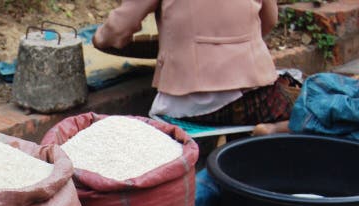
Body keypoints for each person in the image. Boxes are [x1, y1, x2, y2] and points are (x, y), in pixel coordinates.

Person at [93, 0, 298, 127]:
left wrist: (99, 39)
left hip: (185, 104)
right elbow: (269, 20)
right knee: (313, 103)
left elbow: (118, 29)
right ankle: (275, 130)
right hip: (251, 97)